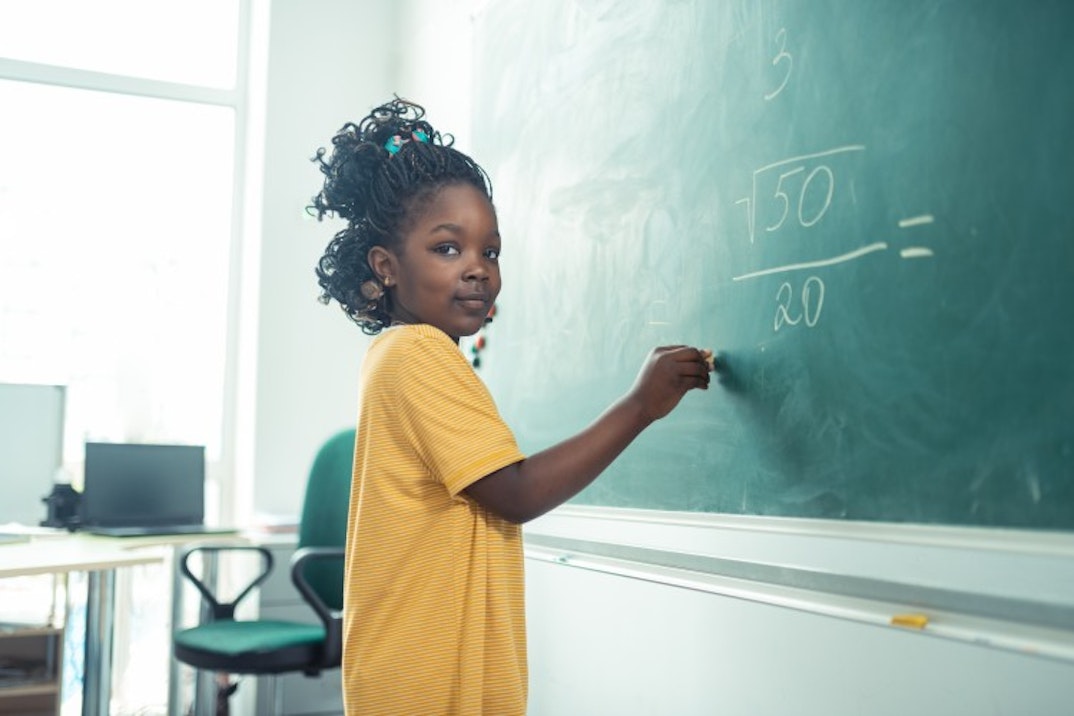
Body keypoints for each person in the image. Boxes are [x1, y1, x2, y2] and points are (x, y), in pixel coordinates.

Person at [309, 97, 714, 716]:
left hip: (421, 676)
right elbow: (516, 493)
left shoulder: (405, 355)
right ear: (387, 267)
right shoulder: (416, 353)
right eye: (448, 249)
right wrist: (641, 405)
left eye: (490, 252)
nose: (477, 270)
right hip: (423, 685)